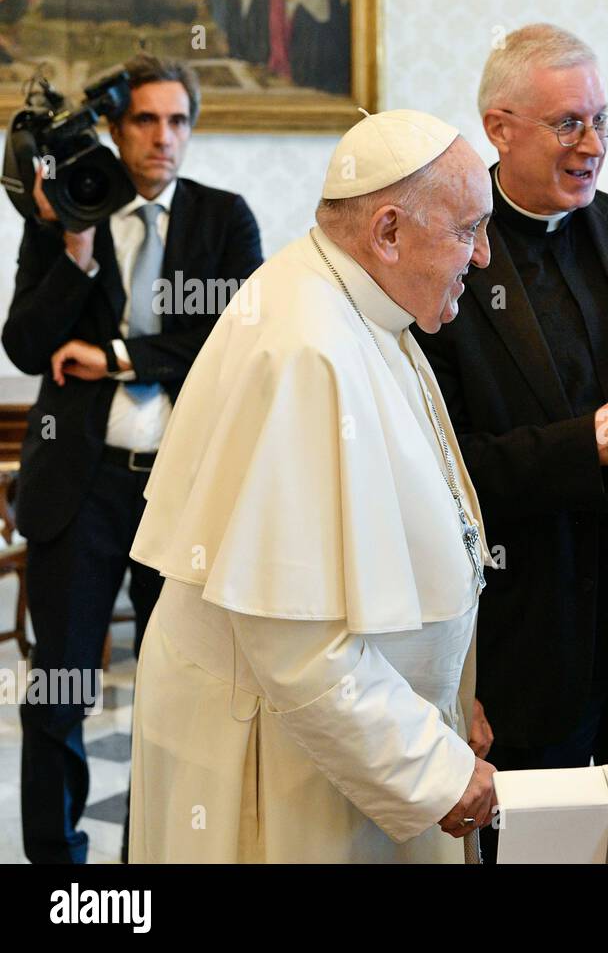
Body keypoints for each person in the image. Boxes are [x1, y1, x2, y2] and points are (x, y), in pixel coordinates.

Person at [127, 109, 497, 862]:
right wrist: (430, 766)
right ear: (388, 232)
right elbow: (295, 639)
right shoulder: (307, 346)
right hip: (278, 753)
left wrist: (452, 700)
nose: (484, 256)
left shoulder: (358, 306)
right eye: (467, 230)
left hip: (355, 729)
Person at [416, 24, 608, 858]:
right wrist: (584, 445)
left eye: (601, 121)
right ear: (500, 126)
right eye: (568, 124)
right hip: (528, 649)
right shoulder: (444, 249)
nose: (592, 144)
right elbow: (436, 475)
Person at [4, 53, 261, 864]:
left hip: (184, 495)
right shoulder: (64, 216)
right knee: (59, 694)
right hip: (80, 491)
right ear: (116, 130)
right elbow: (25, 343)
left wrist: (117, 356)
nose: (163, 137)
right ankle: (56, 871)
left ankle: (150, 863)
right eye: (145, 120)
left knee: (177, 698)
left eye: (178, 120)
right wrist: (73, 251)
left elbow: (236, 341)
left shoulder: (225, 219)